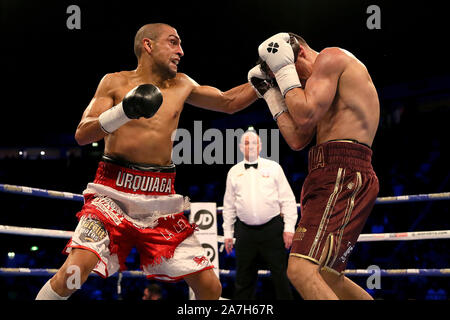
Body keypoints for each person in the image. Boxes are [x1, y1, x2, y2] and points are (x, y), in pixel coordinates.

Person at [35, 23, 257, 300]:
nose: (181, 51)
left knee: (211, 287)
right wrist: (124, 111)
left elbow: (227, 102)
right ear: (148, 46)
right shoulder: (114, 82)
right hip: (111, 194)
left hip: (160, 199)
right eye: (173, 43)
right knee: (73, 273)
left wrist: (266, 79)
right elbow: (82, 133)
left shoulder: (183, 84)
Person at [249, 32, 380, 299]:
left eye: (286, 70)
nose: (289, 81)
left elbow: (304, 114)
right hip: (329, 172)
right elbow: (297, 139)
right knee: (328, 277)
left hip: (342, 171)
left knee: (300, 270)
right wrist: (272, 96)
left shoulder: (330, 58)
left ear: (298, 53)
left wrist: (283, 70)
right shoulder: (318, 89)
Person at [222, 128, 298, 299]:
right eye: (247, 143)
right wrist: (228, 233)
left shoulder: (274, 167)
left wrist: (289, 228)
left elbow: (287, 199)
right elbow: (229, 205)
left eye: (254, 142)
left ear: (260, 146)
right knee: (243, 279)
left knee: (281, 277)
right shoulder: (233, 172)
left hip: (272, 229)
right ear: (241, 147)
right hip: (244, 231)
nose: (251, 146)